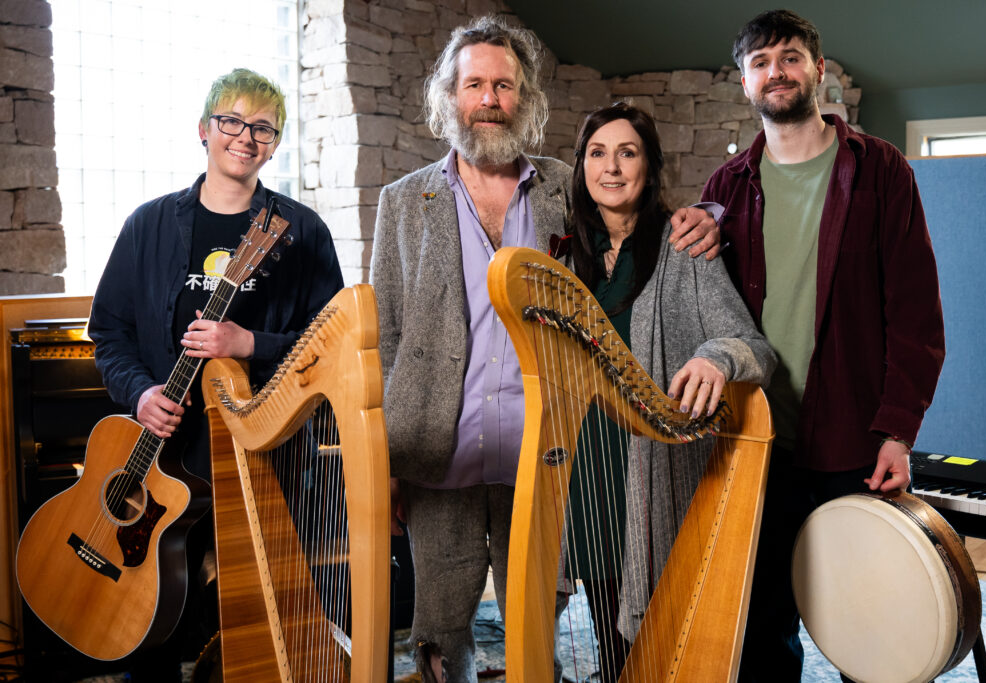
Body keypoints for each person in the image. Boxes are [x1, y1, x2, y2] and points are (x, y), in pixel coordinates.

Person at [369, 16, 721, 683]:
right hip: (434, 448)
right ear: (451, 95)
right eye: (475, 84)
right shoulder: (402, 200)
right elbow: (386, 332)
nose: (491, 99)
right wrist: (385, 454)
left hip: (550, 447)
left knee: (538, 618)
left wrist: (712, 216)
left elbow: (638, 216)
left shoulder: (568, 185)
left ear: (525, 98)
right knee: (440, 631)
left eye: (505, 85)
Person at [685, 10, 945, 681]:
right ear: (744, 82)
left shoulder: (881, 170)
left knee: (870, 623)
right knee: (762, 625)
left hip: (853, 440)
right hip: (757, 440)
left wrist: (898, 431)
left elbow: (916, 314)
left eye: (791, 56)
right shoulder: (725, 188)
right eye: (762, 62)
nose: (778, 71)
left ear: (818, 70)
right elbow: (710, 313)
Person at [88, 68, 343, 679]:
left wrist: (248, 341)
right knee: (148, 613)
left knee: (251, 620)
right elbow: (110, 331)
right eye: (231, 121)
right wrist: (141, 391)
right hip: (162, 458)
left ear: (274, 144)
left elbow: (330, 345)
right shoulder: (147, 226)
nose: (245, 137)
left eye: (263, 128)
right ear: (204, 130)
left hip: (262, 458)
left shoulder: (301, 232)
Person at [562, 102, 776, 679]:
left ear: (649, 167)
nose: (611, 167)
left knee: (658, 634)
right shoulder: (564, 258)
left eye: (627, 153)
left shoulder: (686, 249)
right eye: (597, 153)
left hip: (654, 473)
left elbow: (753, 345)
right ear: (581, 167)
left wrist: (715, 358)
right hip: (586, 470)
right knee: (606, 629)